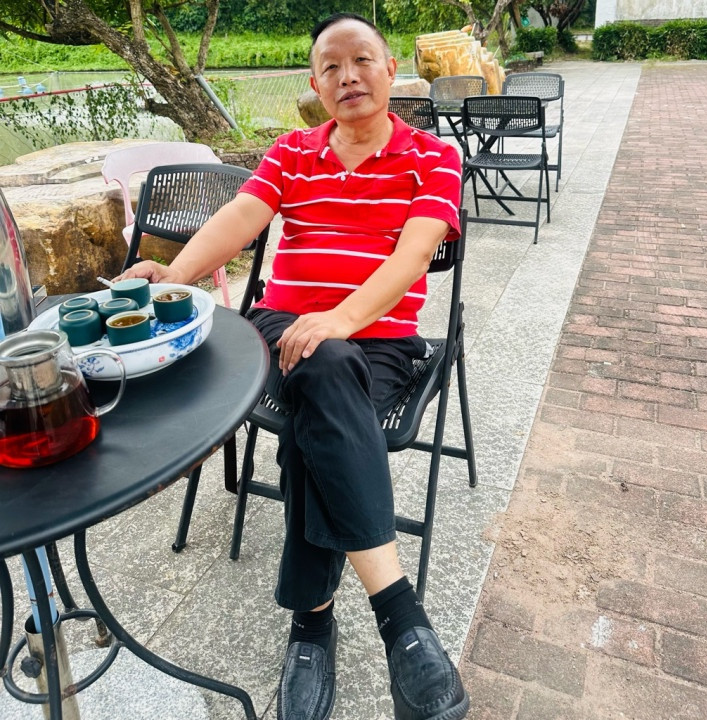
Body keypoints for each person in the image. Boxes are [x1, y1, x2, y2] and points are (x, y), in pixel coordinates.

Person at [118, 12, 469, 720]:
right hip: (279, 328)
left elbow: (413, 257)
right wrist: (176, 277)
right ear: (315, 83)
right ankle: (402, 620)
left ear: (390, 69)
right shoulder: (291, 151)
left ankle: (312, 626)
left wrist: (341, 318)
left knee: (319, 403)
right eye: (331, 67)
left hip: (381, 342)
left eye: (362, 59)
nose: (348, 76)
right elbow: (239, 221)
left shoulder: (433, 157)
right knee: (321, 365)